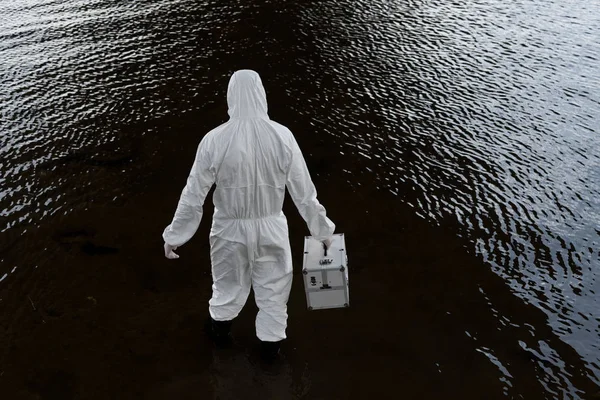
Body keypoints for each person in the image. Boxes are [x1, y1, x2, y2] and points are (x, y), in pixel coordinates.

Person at [162, 70, 335, 360]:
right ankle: (270, 357)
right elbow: (304, 192)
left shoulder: (214, 140)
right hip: (272, 227)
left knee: (227, 287)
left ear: (231, 97)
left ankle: (219, 345)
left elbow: (193, 195)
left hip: (229, 229)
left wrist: (175, 236)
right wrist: (323, 231)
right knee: (274, 293)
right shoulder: (283, 136)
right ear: (261, 95)